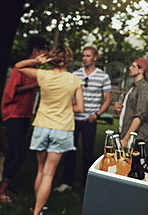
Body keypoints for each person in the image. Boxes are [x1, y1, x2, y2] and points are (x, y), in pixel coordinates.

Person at [15, 45, 84, 215]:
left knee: (40, 170)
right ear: (68, 60)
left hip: (41, 126)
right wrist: (66, 107)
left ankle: (36, 206)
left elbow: (18, 66)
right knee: (48, 174)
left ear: (52, 59)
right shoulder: (74, 80)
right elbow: (80, 108)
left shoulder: (42, 75)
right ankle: (37, 211)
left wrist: (36, 61)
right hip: (62, 129)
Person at [0, 36, 48, 203]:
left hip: (24, 115)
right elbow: (13, 91)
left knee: (12, 152)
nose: (44, 56)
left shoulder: (33, 69)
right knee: (20, 153)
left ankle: (4, 187)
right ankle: (1, 191)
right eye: (43, 52)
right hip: (13, 114)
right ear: (35, 52)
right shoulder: (22, 68)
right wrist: (36, 85)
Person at [55, 46, 112, 192]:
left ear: (95, 58)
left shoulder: (103, 76)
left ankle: (86, 184)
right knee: (70, 151)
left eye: (88, 56)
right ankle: (67, 182)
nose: (85, 58)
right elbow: (68, 95)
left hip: (89, 120)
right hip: (73, 119)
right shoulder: (75, 74)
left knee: (88, 152)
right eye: (83, 56)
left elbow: (107, 99)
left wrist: (97, 115)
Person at [114, 58, 148, 147]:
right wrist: (120, 110)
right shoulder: (133, 87)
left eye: (133, 66)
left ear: (141, 70)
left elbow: (139, 116)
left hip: (135, 140)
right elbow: (131, 111)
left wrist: (125, 139)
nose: (130, 68)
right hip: (125, 134)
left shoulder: (144, 88)